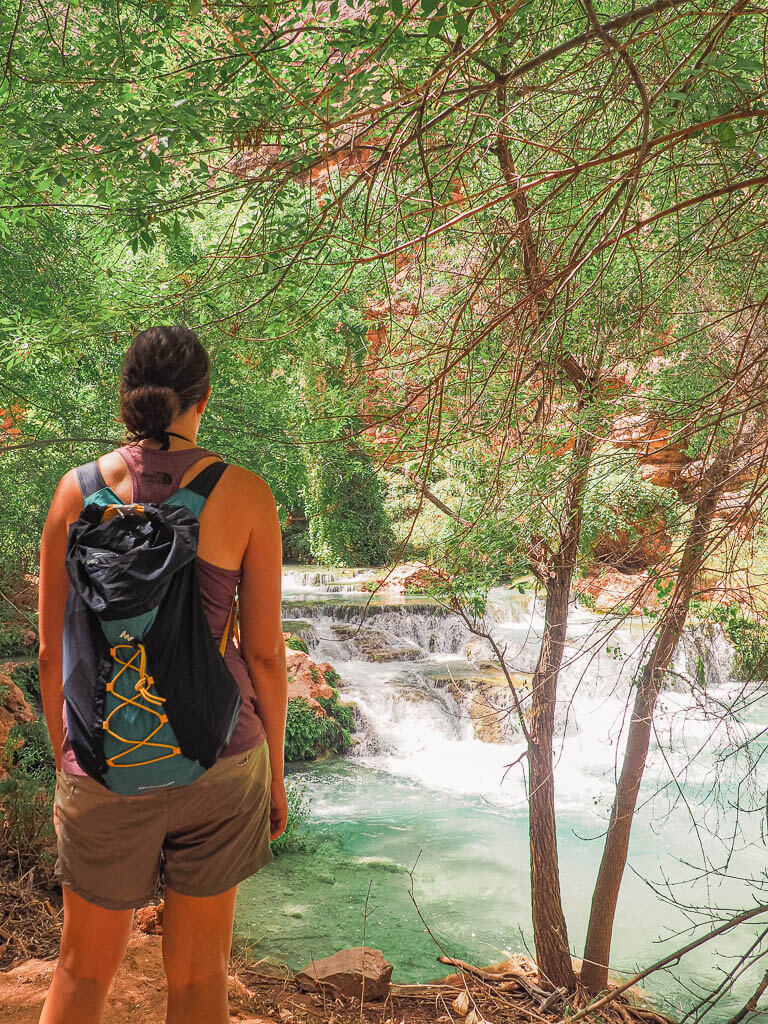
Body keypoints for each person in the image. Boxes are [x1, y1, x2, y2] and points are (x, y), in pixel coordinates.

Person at [36, 325, 288, 1024]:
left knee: (82, 973)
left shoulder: (73, 494)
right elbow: (264, 654)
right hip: (220, 759)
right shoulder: (244, 495)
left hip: (102, 765)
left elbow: (53, 653)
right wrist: (277, 770)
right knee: (200, 978)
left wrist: (74, 762)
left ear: (127, 401)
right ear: (202, 400)